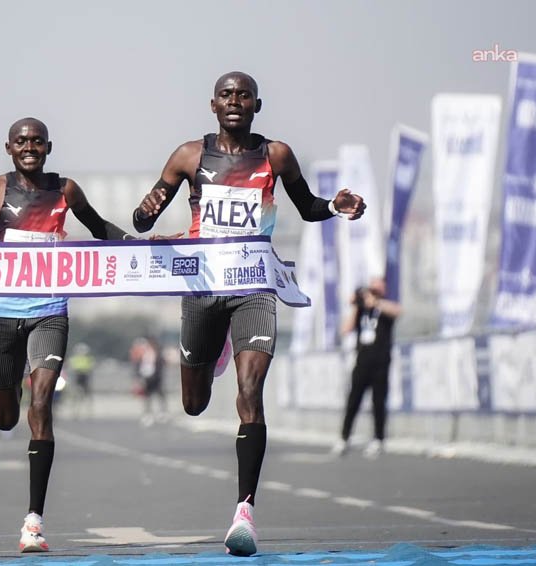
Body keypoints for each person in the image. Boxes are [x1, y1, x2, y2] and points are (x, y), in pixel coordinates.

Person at [132, 71, 366, 556]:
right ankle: (213, 351)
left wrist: (335, 205)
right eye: (226, 95)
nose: (234, 101)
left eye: (243, 95)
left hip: (254, 283)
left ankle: (245, 511)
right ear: (212, 105)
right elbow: (143, 218)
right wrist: (148, 209)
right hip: (202, 286)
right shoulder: (188, 156)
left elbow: (307, 207)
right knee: (193, 403)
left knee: (250, 391)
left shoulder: (275, 154)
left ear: (257, 105)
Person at [0, 117, 152, 553]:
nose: (30, 147)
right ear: (9, 148)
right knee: (6, 418)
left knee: (41, 404)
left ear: (49, 147)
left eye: (37, 141)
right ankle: (7, 394)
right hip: (1, 315)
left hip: (49, 313)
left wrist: (139, 243)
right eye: (22, 141)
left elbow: (100, 229)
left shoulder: (65, 190)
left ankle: (34, 521)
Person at [333, 278, 401, 458]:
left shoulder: (384, 307)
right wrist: (356, 304)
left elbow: (398, 311)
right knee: (353, 401)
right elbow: (346, 329)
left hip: (381, 362)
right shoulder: (362, 309)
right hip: (362, 362)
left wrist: (376, 302)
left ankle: (379, 439)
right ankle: (344, 437)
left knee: (379, 402)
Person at [136, 335, 167, 426]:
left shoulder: (158, 352)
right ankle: (148, 413)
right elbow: (140, 365)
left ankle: (162, 412)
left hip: (156, 377)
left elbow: (160, 364)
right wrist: (140, 376)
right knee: (147, 396)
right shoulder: (145, 352)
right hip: (147, 377)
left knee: (160, 394)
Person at [67, 342, 94, 418]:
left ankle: (88, 411)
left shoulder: (88, 359)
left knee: (87, 394)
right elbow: (70, 368)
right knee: (75, 394)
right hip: (77, 376)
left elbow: (91, 368)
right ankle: (75, 411)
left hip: (84, 376)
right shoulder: (74, 358)